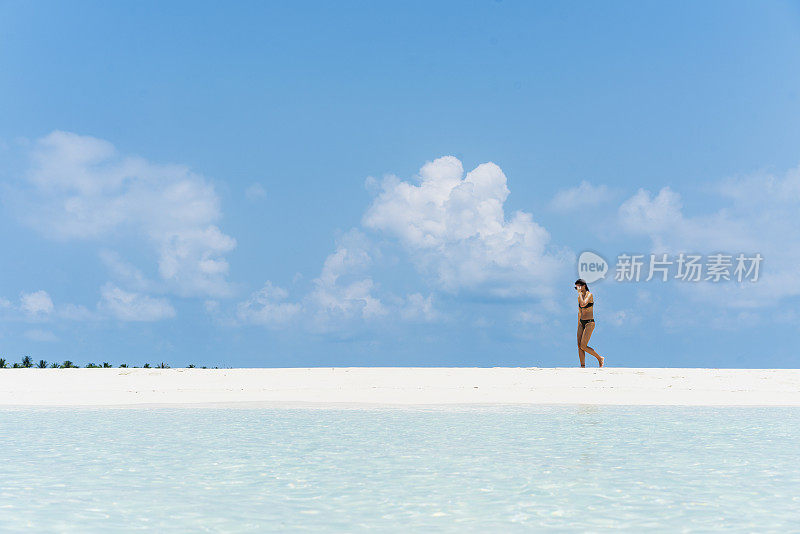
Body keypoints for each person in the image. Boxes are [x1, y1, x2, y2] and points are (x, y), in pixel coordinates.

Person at [575, 278, 604, 367]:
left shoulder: (589, 295)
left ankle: (599, 358)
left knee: (584, 346)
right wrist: (578, 324)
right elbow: (580, 311)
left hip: (589, 323)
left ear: (584, 286)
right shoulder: (579, 297)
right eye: (576, 288)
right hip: (581, 322)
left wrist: (580, 293)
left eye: (579, 287)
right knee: (579, 345)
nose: (577, 290)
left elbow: (583, 304)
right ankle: (582, 366)